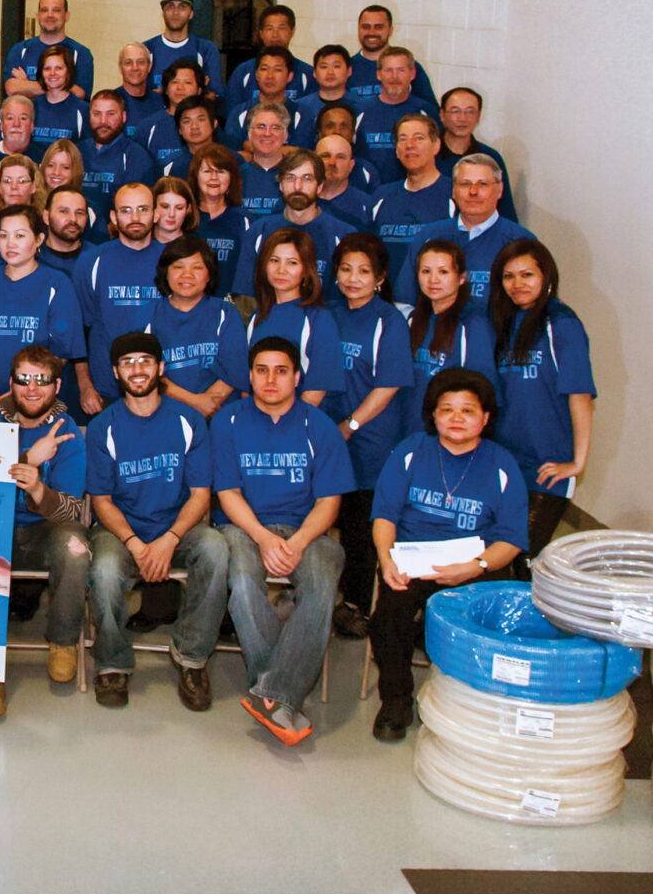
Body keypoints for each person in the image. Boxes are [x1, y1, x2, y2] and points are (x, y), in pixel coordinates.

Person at [368, 368, 527, 740]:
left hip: (477, 565)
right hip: (412, 561)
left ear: (485, 418)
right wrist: (386, 560)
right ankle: (395, 701)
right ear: (433, 415)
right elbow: (384, 515)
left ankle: (474, 703)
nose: (456, 418)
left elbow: (511, 539)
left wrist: (475, 567)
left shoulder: (502, 464)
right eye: (447, 409)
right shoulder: (410, 452)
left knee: (493, 622)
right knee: (388, 618)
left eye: (467, 411)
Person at [213, 336, 354, 745]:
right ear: (250, 376)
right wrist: (262, 537)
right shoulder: (227, 422)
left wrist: (297, 542)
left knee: (322, 583)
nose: (270, 380)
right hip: (244, 526)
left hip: (306, 530)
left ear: (297, 377)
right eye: (261, 371)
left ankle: (270, 694)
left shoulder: (320, 426)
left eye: (281, 371)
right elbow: (228, 494)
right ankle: (280, 696)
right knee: (242, 582)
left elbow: (329, 502)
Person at [84, 332, 227, 710]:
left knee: (216, 549)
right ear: (116, 371)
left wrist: (170, 538)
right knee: (105, 568)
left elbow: (200, 496)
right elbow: (101, 501)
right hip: (121, 530)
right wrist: (134, 543)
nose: (137, 369)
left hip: (177, 527)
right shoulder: (102, 427)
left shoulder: (189, 420)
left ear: (161, 368)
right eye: (127, 362)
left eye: (145, 361)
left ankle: (192, 658)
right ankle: (112, 664)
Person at [0, 346, 90, 719]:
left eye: (42, 380)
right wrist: (28, 460)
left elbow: (72, 511)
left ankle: (63, 642)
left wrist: (37, 489)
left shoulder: (67, 431)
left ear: (57, 386)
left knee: (75, 546)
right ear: (11, 382)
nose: (32, 388)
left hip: (44, 532)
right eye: (23, 379)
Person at [324, 233, 414, 638]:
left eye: (363, 271)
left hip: (369, 439)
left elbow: (388, 385)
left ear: (380, 277)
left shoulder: (389, 321)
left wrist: (351, 426)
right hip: (328, 436)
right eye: (345, 269)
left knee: (360, 529)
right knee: (327, 517)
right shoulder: (327, 314)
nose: (352, 278)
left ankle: (355, 604)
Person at [487, 240, 595, 560]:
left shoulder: (562, 323)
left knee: (521, 554)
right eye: (509, 277)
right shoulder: (504, 322)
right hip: (506, 461)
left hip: (547, 467)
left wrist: (577, 462)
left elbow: (580, 395)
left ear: (546, 275)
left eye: (527, 275)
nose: (517, 284)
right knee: (500, 557)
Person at [0, 204, 83, 406]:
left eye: (19, 235)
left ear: (39, 239)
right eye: (3, 235)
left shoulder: (57, 284)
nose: (10, 243)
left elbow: (61, 352)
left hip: (37, 399)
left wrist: (18, 395)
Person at [392, 154, 532, 306]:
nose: (473, 191)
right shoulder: (428, 237)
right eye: (465, 184)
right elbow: (405, 300)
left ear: (500, 190)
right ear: (453, 190)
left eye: (483, 184)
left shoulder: (520, 242)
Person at [74, 182, 163, 415]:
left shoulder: (172, 262)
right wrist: (85, 386)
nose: (135, 217)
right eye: (126, 210)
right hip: (105, 391)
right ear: (114, 217)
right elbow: (78, 332)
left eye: (143, 209)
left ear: (156, 214)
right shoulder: (91, 262)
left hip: (162, 392)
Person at [406, 238, 499, 439]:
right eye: (426, 271)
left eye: (443, 272)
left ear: (462, 277)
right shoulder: (414, 320)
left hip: (453, 436)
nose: (433, 280)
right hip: (413, 432)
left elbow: (483, 390)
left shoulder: (473, 324)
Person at [143, 236, 245, 417]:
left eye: (197, 268)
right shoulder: (149, 314)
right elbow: (146, 371)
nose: (187, 275)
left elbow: (235, 370)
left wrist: (208, 405)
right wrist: (196, 403)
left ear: (209, 274)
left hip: (220, 414)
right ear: (165, 272)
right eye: (178, 267)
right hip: (167, 416)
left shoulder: (225, 312)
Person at [234, 149, 355, 296]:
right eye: (290, 178)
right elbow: (245, 295)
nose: (298, 186)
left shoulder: (343, 234)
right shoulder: (260, 230)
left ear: (320, 186)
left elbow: (346, 298)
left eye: (307, 178)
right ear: (281, 185)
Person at [244, 228, 343, 406]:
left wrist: (287, 422)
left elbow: (316, 391)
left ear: (306, 269)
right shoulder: (258, 315)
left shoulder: (319, 319)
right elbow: (248, 382)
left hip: (300, 419)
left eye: (292, 263)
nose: (281, 270)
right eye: (274, 260)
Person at [366, 114, 457, 286]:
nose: (409, 145)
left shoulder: (454, 194)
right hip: (386, 297)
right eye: (403, 139)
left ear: (436, 145)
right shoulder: (381, 196)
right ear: (396, 150)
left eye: (419, 138)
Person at [352, 48, 442, 184]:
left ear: (412, 74)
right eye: (388, 70)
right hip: (368, 192)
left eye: (401, 70)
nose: (394, 76)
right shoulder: (359, 111)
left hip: (413, 191)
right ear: (378, 74)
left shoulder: (426, 111)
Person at [435, 87, 517, 219]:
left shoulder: (490, 157)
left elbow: (505, 210)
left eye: (470, 112)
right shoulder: (426, 154)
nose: (462, 118)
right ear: (442, 115)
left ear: (478, 117)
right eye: (455, 111)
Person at [78, 90, 155, 222]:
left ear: (123, 117)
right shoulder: (76, 151)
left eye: (111, 114)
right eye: (97, 114)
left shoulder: (137, 157)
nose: (103, 121)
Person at [4, 0, 93, 99]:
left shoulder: (80, 54)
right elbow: (11, 88)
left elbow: (78, 94)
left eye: (56, 10)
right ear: (38, 16)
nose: (50, 15)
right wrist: (62, 86)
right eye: (44, 10)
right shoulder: (19, 50)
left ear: (66, 16)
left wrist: (27, 85)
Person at [188, 146, 253, 292]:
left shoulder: (244, 220)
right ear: (196, 176)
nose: (214, 178)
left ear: (231, 178)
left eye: (221, 172)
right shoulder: (185, 216)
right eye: (207, 171)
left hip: (231, 301)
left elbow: (249, 269)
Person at [223, 6, 314, 110]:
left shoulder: (307, 74)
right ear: (261, 33)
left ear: (292, 31)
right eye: (269, 28)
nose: (275, 35)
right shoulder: (243, 71)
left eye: (281, 28)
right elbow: (233, 112)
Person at [221, 48, 308, 151]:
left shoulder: (301, 113)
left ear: (289, 76)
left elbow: (301, 154)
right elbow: (232, 154)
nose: (270, 76)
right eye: (264, 69)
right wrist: (283, 150)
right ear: (256, 75)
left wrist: (252, 148)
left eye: (278, 70)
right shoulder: (239, 112)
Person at [143, 0, 223, 95]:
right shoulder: (147, 49)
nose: (175, 12)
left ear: (191, 14)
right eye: (170, 6)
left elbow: (214, 95)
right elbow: (138, 95)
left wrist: (161, 93)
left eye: (182, 7)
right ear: (163, 13)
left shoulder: (206, 49)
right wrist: (190, 91)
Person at [349, 4, 436, 102]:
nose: (371, 32)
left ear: (390, 30)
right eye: (366, 27)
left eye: (378, 27)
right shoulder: (346, 68)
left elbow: (429, 108)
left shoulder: (408, 66)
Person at [29, 46, 90, 150]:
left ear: (68, 72)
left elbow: (87, 150)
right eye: (47, 68)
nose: (52, 73)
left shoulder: (83, 110)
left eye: (58, 68)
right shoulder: (32, 107)